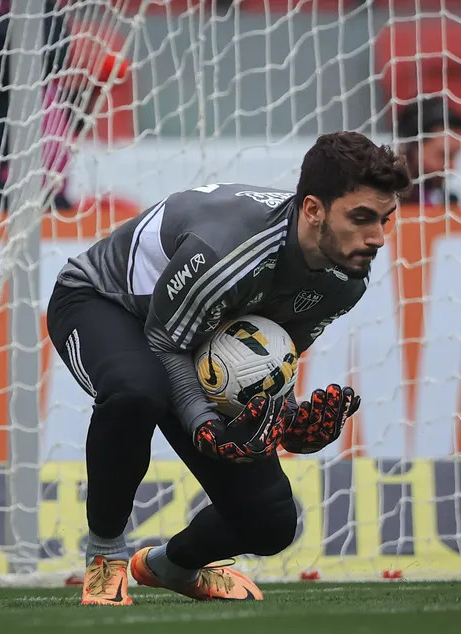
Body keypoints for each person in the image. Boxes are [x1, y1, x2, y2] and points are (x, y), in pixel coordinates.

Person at [46, 131, 412, 605]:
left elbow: (268, 353)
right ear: (313, 210)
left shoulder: (346, 279)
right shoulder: (228, 251)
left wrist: (289, 421)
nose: (378, 238)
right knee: (136, 393)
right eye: (361, 218)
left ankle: (171, 566)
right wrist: (201, 421)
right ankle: (105, 556)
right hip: (103, 303)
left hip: (192, 332)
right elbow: (161, 340)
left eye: (385, 220)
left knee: (271, 521)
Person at [0, 0, 128, 212]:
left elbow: (42, 102)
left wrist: (87, 91)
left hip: (47, 186)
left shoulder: (34, 9)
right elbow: (2, 63)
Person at [395, 96, 461, 206]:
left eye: (455, 156)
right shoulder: (381, 201)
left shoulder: (448, 203)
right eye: (444, 155)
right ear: (411, 148)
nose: (452, 166)